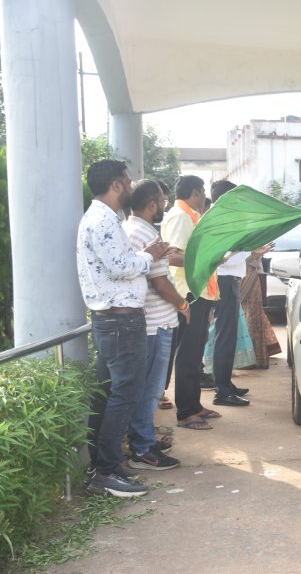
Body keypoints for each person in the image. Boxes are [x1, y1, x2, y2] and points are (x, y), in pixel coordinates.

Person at [77, 159, 169, 497]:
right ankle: (105, 470)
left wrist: (143, 255)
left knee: (107, 393)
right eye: (127, 182)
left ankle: (104, 465)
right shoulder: (102, 219)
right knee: (124, 393)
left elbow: (117, 263)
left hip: (114, 320)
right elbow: (119, 267)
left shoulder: (103, 218)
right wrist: (149, 256)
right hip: (120, 320)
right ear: (116, 185)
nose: (131, 187)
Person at [123, 180, 186, 470]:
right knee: (150, 388)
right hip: (154, 323)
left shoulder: (132, 228)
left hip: (151, 322)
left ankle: (143, 440)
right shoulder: (144, 232)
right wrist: (183, 305)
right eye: (162, 200)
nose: (164, 204)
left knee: (148, 386)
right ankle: (142, 449)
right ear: (151, 204)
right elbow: (160, 283)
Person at [161, 175, 219, 430]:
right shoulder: (179, 216)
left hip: (199, 291)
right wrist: (207, 258)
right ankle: (185, 412)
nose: (203, 196)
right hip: (188, 293)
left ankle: (195, 406)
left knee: (195, 353)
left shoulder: (191, 216)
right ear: (195, 193)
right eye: (202, 192)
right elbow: (172, 256)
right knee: (187, 354)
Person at [209, 180, 252, 407]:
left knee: (227, 336)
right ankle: (222, 391)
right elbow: (226, 257)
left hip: (228, 280)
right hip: (224, 281)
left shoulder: (224, 218)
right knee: (224, 337)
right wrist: (250, 248)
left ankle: (225, 383)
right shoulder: (221, 220)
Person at [241, 247, 282, 368]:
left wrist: (256, 254)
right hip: (241, 279)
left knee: (253, 316)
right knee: (242, 317)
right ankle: (244, 358)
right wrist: (253, 253)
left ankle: (253, 357)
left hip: (252, 278)